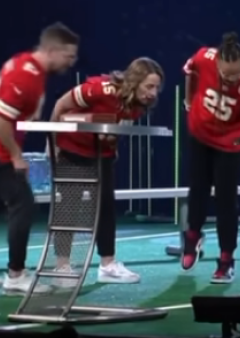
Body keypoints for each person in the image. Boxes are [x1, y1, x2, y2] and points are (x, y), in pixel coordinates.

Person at [0, 22, 79, 295]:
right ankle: (16, 275)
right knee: (23, 203)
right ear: (52, 50)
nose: (72, 62)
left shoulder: (26, 64)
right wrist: (15, 155)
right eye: (68, 56)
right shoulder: (27, 75)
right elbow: (0, 121)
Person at [47, 58, 165, 287]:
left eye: (157, 88)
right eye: (149, 86)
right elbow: (61, 104)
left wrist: (110, 141)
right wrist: (52, 145)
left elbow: (112, 130)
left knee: (106, 207)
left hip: (103, 155)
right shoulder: (101, 88)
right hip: (73, 149)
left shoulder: (138, 105)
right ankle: (61, 267)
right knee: (69, 208)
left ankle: (107, 265)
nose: (154, 93)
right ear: (134, 81)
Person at [182, 32, 240, 283]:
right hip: (201, 131)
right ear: (218, 64)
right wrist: (189, 102)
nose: (232, 79)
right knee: (197, 188)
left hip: (232, 138)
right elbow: (189, 71)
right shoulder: (204, 57)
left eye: (236, 74)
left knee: (226, 198)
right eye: (226, 74)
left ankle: (226, 258)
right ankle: (192, 236)